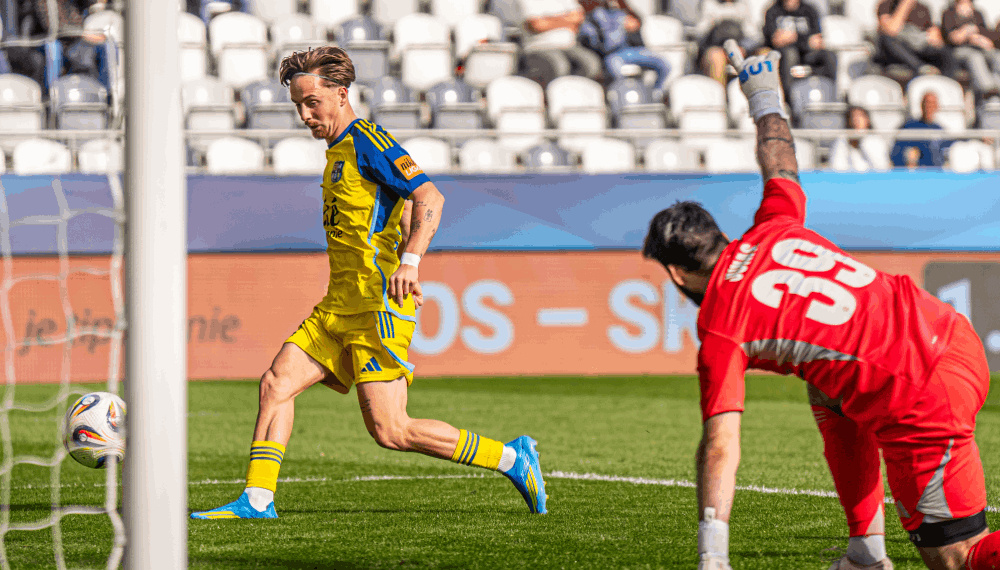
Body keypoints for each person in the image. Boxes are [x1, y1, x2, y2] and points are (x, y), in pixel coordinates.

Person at [642, 39, 999, 570]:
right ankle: (865, 551)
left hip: (920, 387)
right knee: (826, 385)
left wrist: (712, 557)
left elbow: (720, 445)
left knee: (958, 557)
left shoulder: (720, 321)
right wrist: (764, 95)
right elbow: (781, 161)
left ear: (676, 272)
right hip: (947, 333)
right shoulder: (774, 226)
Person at [190, 46, 547, 520]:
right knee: (276, 383)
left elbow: (429, 196)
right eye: (298, 105)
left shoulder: (369, 141)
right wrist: (403, 245)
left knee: (392, 430)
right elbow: (399, 209)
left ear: (341, 95)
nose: (304, 115)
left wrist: (410, 263)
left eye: (312, 103)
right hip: (338, 304)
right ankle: (257, 500)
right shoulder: (337, 151)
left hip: (377, 306)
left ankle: (511, 458)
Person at [578, 0, 671, 90]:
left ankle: (656, 93)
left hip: (635, 50)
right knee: (615, 68)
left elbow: (638, 22)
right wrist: (621, 28)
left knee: (664, 65)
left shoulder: (622, 11)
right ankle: (624, 94)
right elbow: (607, 45)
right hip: (614, 54)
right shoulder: (597, 15)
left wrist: (634, 26)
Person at [515, 0, 603, 88]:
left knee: (590, 64)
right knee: (559, 66)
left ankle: (575, 93)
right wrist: (567, 19)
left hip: (569, 45)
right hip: (539, 47)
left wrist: (548, 20)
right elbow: (536, 25)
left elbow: (578, 17)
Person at [762, 0, 837, 98]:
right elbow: (776, 40)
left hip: (808, 54)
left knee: (829, 55)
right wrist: (806, 40)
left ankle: (831, 95)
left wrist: (793, 37)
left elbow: (817, 40)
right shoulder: (773, 11)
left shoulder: (810, 10)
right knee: (790, 54)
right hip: (784, 55)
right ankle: (789, 98)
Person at [876, 0, 957, 77]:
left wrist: (934, 37)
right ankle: (921, 68)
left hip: (919, 47)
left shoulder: (923, 8)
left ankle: (947, 82)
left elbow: (934, 35)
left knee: (946, 52)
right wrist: (906, 4)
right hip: (899, 49)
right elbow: (891, 30)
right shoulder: (886, 5)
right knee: (887, 39)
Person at [941, 0, 1000, 101]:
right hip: (959, 50)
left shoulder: (977, 13)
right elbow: (952, 38)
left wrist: (981, 40)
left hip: (979, 47)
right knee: (975, 57)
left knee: (997, 55)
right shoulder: (949, 13)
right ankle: (988, 91)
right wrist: (968, 32)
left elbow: (986, 33)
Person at [695, 0, 760, 87]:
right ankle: (719, 94)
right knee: (717, 57)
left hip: (740, 47)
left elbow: (755, 36)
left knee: (762, 55)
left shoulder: (743, 5)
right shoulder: (708, 4)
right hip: (714, 47)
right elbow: (699, 34)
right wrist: (711, 20)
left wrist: (744, 48)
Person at [890, 90, 951, 167]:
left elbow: (945, 155)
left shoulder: (940, 130)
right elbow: (896, 153)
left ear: (937, 107)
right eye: (927, 103)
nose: (929, 107)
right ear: (921, 105)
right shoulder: (910, 127)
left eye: (932, 104)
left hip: (935, 172)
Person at [828, 105, 891, 171]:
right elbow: (836, 166)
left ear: (867, 120)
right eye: (853, 117)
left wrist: (864, 143)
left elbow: (881, 167)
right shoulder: (842, 140)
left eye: (860, 116)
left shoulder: (876, 140)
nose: (856, 120)